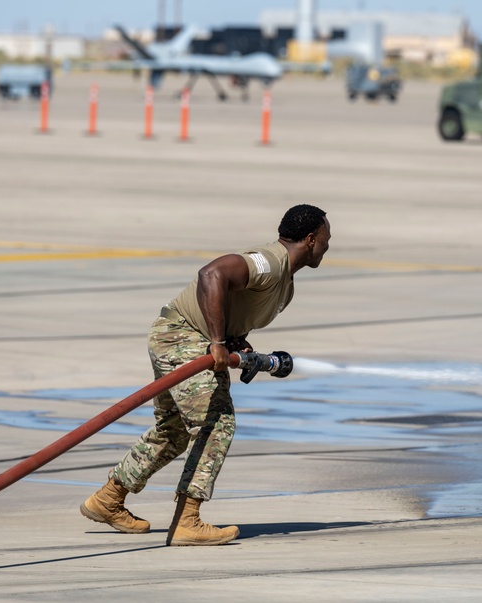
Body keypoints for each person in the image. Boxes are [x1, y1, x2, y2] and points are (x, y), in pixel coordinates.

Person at [80, 204, 330, 546]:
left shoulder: (284, 283)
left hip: (177, 335)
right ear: (312, 239)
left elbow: (232, 305)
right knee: (216, 423)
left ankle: (108, 499)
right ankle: (187, 521)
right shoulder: (270, 262)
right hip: (183, 337)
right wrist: (216, 341)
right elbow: (211, 274)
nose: (329, 245)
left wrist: (233, 339)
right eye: (327, 238)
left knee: (174, 430)